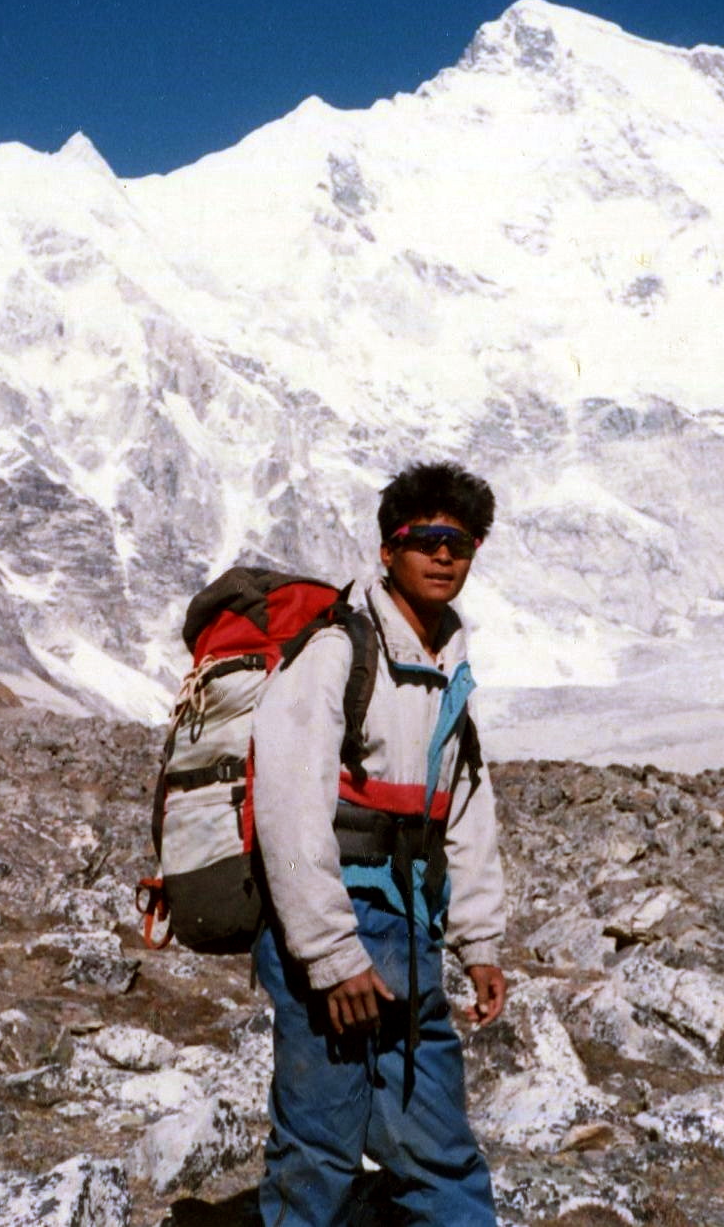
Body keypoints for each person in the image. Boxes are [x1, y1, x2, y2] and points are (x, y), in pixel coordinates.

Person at [250, 460, 507, 1226]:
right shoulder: (336, 653)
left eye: (459, 541)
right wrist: (331, 956)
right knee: (317, 1149)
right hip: (329, 937)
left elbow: (462, 811)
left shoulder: (448, 670)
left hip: (414, 941)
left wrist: (481, 940)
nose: (443, 554)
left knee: (440, 1148)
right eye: (423, 537)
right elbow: (290, 808)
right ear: (388, 549)